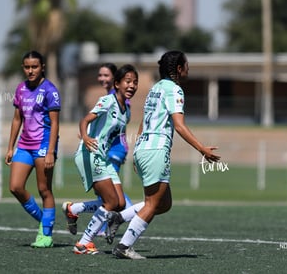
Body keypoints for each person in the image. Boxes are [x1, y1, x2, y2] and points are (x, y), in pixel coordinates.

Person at [111, 51, 221, 259]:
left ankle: (119, 218)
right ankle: (124, 247)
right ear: (179, 69)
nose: (189, 68)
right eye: (187, 65)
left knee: (164, 203)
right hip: (156, 150)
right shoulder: (174, 90)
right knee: (153, 204)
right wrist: (202, 149)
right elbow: (179, 126)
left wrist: (137, 150)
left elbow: (145, 120)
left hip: (144, 148)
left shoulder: (155, 89)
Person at [71, 64, 139, 255]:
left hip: (105, 158)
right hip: (91, 154)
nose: (132, 85)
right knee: (110, 202)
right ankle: (83, 243)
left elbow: (116, 136)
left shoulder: (126, 110)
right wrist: (85, 136)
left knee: (119, 203)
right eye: (128, 81)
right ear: (117, 84)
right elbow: (85, 120)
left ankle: (74, 209)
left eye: (135, 82)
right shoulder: (107, 101)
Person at [5, 50, 61, 248]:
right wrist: (10, 147)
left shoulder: (50, 90)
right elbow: (17, 119)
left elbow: (55, 123)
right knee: (15, 187)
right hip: (24, 145)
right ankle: (42, 220)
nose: (30, 71)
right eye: (27, 67)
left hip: (43, 145)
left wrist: (51, 151)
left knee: (44, 189)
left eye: (34, 67)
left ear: (42, 67)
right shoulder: (20, 89)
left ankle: (46, 235)